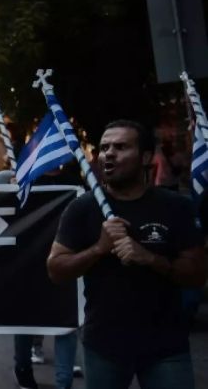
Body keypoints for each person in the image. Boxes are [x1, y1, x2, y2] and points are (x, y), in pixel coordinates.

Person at [46, 120, 206, 389]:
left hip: (166, 347)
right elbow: (56, 270)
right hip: (103, 346)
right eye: (105, 147)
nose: (109, 153)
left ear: (145, 157)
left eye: (121, 147)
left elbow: (197, 275)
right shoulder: (82, 208)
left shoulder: (176, 207)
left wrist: (151, 259)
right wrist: (99, 248)